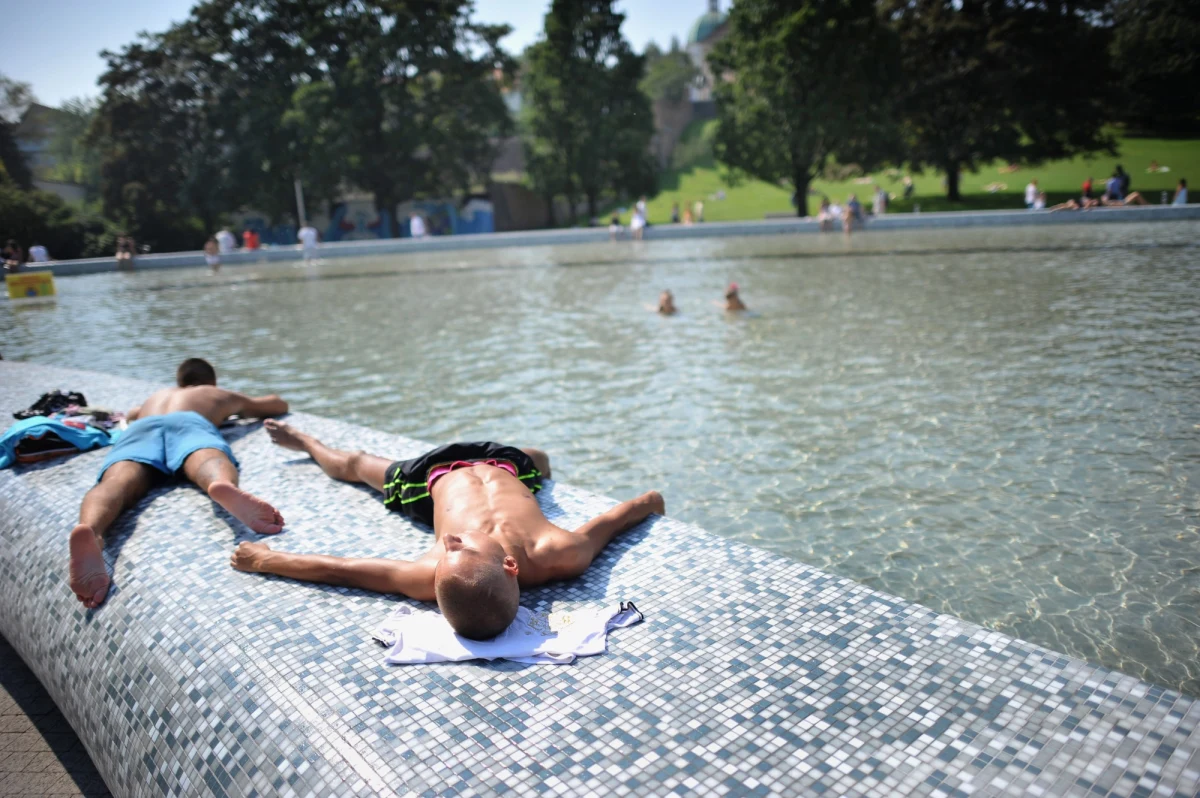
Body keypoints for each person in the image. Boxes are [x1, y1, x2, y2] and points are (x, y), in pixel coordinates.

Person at [231, 422, 664, 640]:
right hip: (504, 465)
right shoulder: (559, 552)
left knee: (356, 464)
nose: (449, 541)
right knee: (541, 459)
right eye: (460, 547)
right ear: (510, 565)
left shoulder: (435, 572)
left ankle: (303, 441)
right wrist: (649, 503)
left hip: (431, 479)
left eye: (449, 548)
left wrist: (265, 559)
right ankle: (535, 468)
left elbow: (341, 570)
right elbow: (619, 517)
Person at [68, 358, 289, 609]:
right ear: (212, 381)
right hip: (189, 422)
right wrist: (232, 406)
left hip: (141, 427)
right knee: (206, 458)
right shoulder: (213, 393)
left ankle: (91, 529)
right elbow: (274, 405)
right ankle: (219, 484)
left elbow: (131, 414)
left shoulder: (158, 396)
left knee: (117, 479)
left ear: (179, 381)